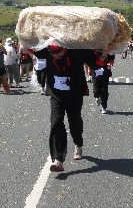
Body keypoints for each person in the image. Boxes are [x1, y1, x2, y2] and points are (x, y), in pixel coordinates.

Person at [33, 42, 95, 172]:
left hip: (75, 93)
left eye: (58, 53)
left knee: (74, 121)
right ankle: (58, 159)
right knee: (55, 122)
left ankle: (78, 143)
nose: (55, 56)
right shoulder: (47, 49)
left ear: (65, 48)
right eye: (52, 53)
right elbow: (31, 48)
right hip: (56, 93)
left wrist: (105, 51)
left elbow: (95, 63)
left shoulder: (78, 50)